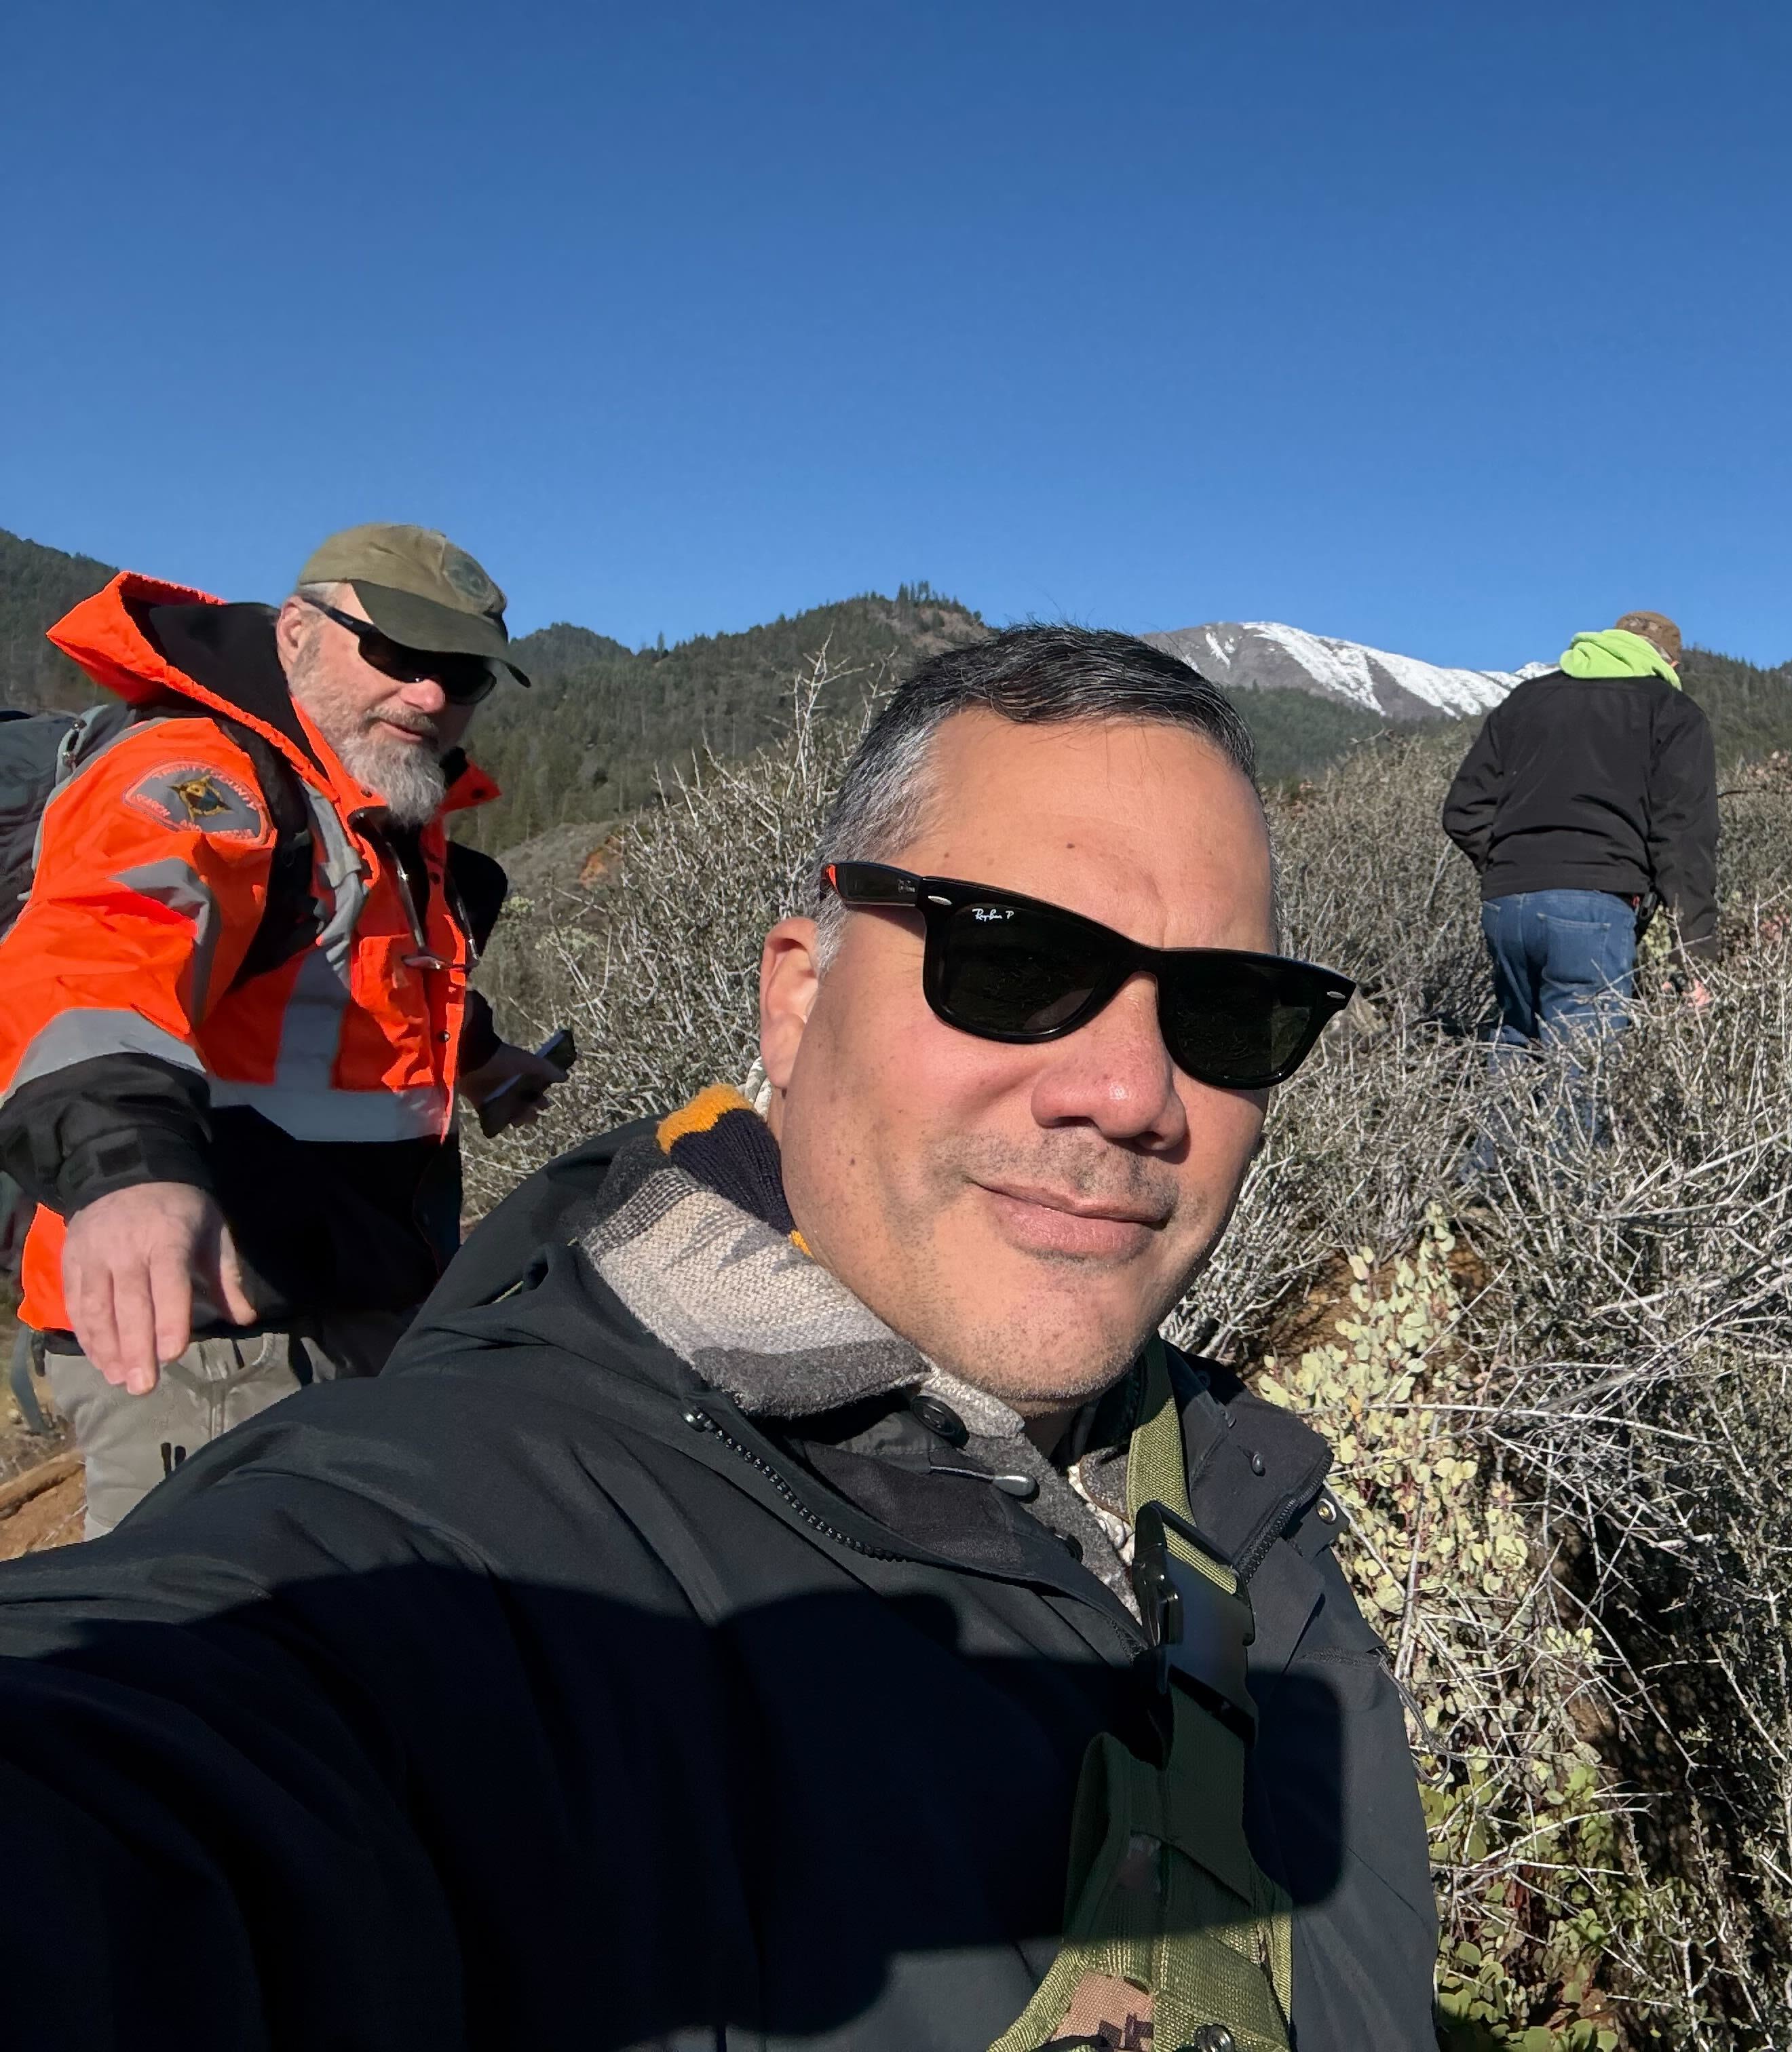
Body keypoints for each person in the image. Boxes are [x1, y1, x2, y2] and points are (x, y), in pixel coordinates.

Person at [0, 627, 1436, 2051]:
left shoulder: (1254, 1506)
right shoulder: (476, 1554)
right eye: (1011, 963)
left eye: (1227, 1009)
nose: (1134, 1093)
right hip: (202, 1317)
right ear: (797, 1000)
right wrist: (122, 1161)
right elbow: (168, 1772)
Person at [0, 525, 565, 1533]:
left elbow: (366, 991)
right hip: (212, 1349)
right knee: (198, 1653)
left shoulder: (374, 812)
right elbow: (96, 955)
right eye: (395, 653)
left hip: (349, 1310)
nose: (430, 695)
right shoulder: (201, 780)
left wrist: (478, 1062)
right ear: (297, 632)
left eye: (463, 672)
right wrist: (129, 1170)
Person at [1441, 609, 1716, 1050]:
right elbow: (1684, 841)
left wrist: (1512, 864)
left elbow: (1462, 809)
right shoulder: (1671, 711)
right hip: (1595, 907)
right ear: (1672, 665)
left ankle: (1501, 1121)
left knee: (1516, 1043)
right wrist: (1696, 955)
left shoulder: (1526, 700)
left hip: (1507, 906)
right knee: (1581, 1072)